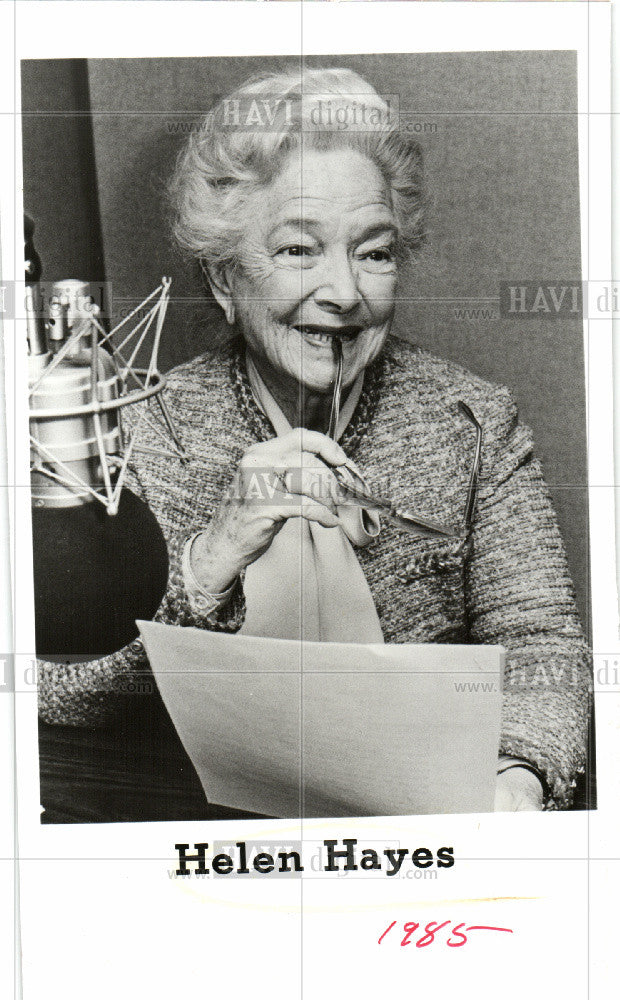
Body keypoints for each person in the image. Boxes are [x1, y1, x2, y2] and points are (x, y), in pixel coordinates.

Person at [37, 67, 592, 812]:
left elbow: (542, 647)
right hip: (200, 831)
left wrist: (519, 776)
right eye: (299, 250)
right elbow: (55, 692)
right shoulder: (143, 425)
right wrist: (203, 571)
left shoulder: (476, 423)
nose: (344, 291)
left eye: (374, 252)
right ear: (225, 279)